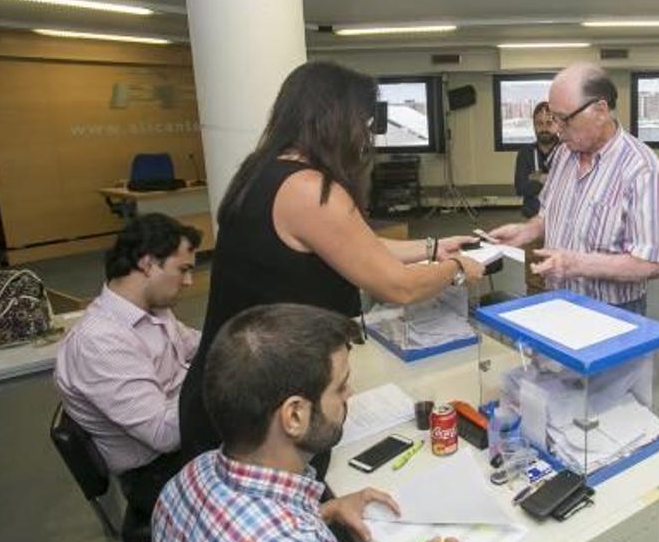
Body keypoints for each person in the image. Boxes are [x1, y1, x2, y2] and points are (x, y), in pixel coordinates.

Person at [179, 62, 485, 465]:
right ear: (337, 120)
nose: (365, 136)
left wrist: (434, 247)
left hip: (230, 384)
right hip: (260, 410)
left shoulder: (265, 171)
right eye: (364, 122)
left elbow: (356, 245)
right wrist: (459, 269)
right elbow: (398, 287)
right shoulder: (310, 190)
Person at [152, 303, 459, 542]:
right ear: (295, 415)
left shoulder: (188, 478)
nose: (349, 394)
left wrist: (324, 510)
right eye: (339, 387)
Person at [486, 63, 659, 316]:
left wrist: (578, 264)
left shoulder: (640, 168)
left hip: (613, 311)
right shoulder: (563, 154)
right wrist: (527, 231)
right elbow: (548, 214)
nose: (557, 129)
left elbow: (651, 263)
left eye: (564, 119)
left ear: (600, 111)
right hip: (557, 298)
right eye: (553, 118)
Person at [54, 213, 201, 517]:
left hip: (180, 445)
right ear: (148, 264)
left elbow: (197, 345)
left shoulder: (153, 310)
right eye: (183, 270)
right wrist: (218, 375)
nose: (189, 282)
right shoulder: (102, 343)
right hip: (156, 475)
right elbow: (164, 435)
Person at [514, 101, 558, 295]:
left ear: (557, 123)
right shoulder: (525, 153)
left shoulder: (568, 151)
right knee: (534, 279)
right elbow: (521, 187)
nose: (544, 128)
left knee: (561, 275)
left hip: (562, 225)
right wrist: (546, 178)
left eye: (549, 122)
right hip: (533, 223)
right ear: (533, 125)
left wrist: (536, 177)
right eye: (539, 123)